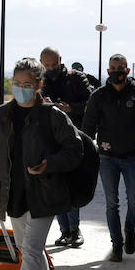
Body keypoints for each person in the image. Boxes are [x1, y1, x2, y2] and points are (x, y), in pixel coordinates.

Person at [0, 57, 83, 270]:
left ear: (38, 85)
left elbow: (75, 150)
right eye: (16, 83)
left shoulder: (52, 116)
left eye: (26, 84)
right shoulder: (1, 116)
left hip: (44, 194)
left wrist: (50, 164)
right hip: (13, 195)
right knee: (27, 249)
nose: (20, 88)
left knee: (32, 248)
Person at [81, 53, 135, 263]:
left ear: (128, 70)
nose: (117, 72)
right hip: (107, 159)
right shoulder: (98, 96)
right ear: (108, 72)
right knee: (111, 204)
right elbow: (87, 130)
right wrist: (85, 157)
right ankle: (116, 245)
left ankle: (129, 228)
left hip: (132, 157)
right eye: (113, 68)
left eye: (121, 67)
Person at [39, 46, 94, 248]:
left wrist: (70, 108)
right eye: (47, 66)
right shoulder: (41, 80)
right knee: (56, 186)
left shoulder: (76, 78)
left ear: (60, 60)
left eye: (54, 64)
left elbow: (91, 102)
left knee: (71, 185)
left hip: (74, 140)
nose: (51, 68)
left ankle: (74, 229)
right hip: (50, 140)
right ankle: (65, 231)